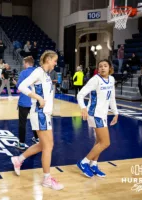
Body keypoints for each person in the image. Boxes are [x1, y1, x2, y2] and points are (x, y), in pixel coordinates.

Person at [11, 50, 64, 190]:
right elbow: (21, 86)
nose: (56, 63)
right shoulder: (38, 72)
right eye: (54, 60)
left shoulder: (46, 75)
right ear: (48, 59)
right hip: (40, 113)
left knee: (43, 144)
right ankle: (47, 179)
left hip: (45, 114)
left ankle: (19, 159)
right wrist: (38, 98)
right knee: (48, 146)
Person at [76, 59, 119, 178]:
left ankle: (94, 164)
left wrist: (115, 112)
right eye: (100, 66)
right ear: (98, 69)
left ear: (110, 67)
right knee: (105, 143)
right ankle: (84, 162)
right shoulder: (95, 80)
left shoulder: (111, 79)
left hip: (103, 114)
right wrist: (83, 108)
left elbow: (112, 98)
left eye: (105, 66)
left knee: (99, 141)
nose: (102, 68)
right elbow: (80, 95)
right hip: (94, 114)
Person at [14, 56, 39, 150]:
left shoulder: (24, 72)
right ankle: (37, 138)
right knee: (35, 121)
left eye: (24, 63)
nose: (23, 65)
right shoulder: (38, 71)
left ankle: (21, 143)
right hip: (36, 101)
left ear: (27, 63)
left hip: (24, 101)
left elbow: (19, 86)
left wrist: (16, 82)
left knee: (22, 123)